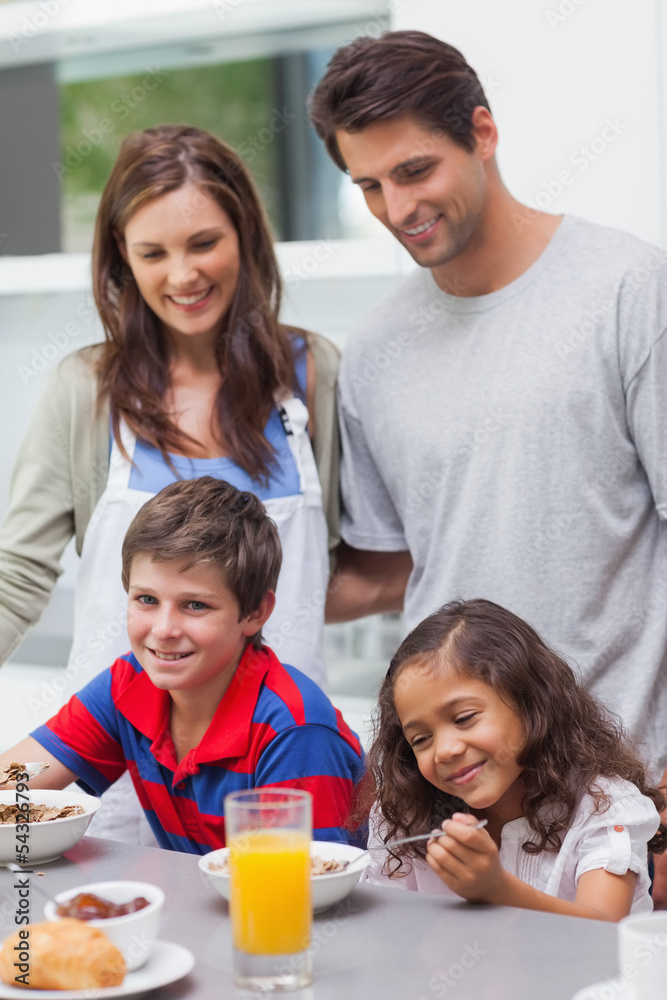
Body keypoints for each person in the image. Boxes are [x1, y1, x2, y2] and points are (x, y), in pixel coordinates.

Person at [309, 34, 667, 821]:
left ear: (481, 132)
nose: (397, 210)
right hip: (454, 800)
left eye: (414, 171)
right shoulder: (373, 348)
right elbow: (386, 570)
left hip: (621, 794)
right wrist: (205, 600)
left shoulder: (627, 288)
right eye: (368, 185)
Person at [0, 125, 339, 841]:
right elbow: (16, 575)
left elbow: (351, 562)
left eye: (203, 243)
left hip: (275, 766)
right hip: (119, 779)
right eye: (153, 252)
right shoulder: (86, 389)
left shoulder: (315, 376)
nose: (182, 275)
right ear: (121, 257)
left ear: (245, 235)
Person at [0, 477, 365, 852]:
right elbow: (12, 783)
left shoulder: (295, 732)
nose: (164, 630)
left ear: (255, 613)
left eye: (195, 605)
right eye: (146, 599)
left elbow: (303, 893)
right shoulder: (128, 684)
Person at [361, 599, 666, 920]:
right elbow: (387, 928)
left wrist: (497, 890)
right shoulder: (405, 813)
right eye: (421, 740)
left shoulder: (604, 807)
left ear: (530, 703)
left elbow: (601, 929)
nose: (445, 750)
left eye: (464, 718)